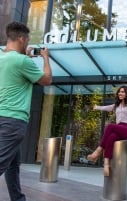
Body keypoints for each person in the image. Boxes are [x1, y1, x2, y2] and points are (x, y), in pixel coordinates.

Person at [0, 21, 52, 201]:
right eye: (27, 40)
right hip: (13, 120)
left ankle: (18, 199)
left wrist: (27, 58)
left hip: (2, 116)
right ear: (22, 39)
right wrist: (45, 57)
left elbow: (16, 77)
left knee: (13, 165)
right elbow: (46, 79)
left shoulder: (4, 58)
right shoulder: (21, 61)